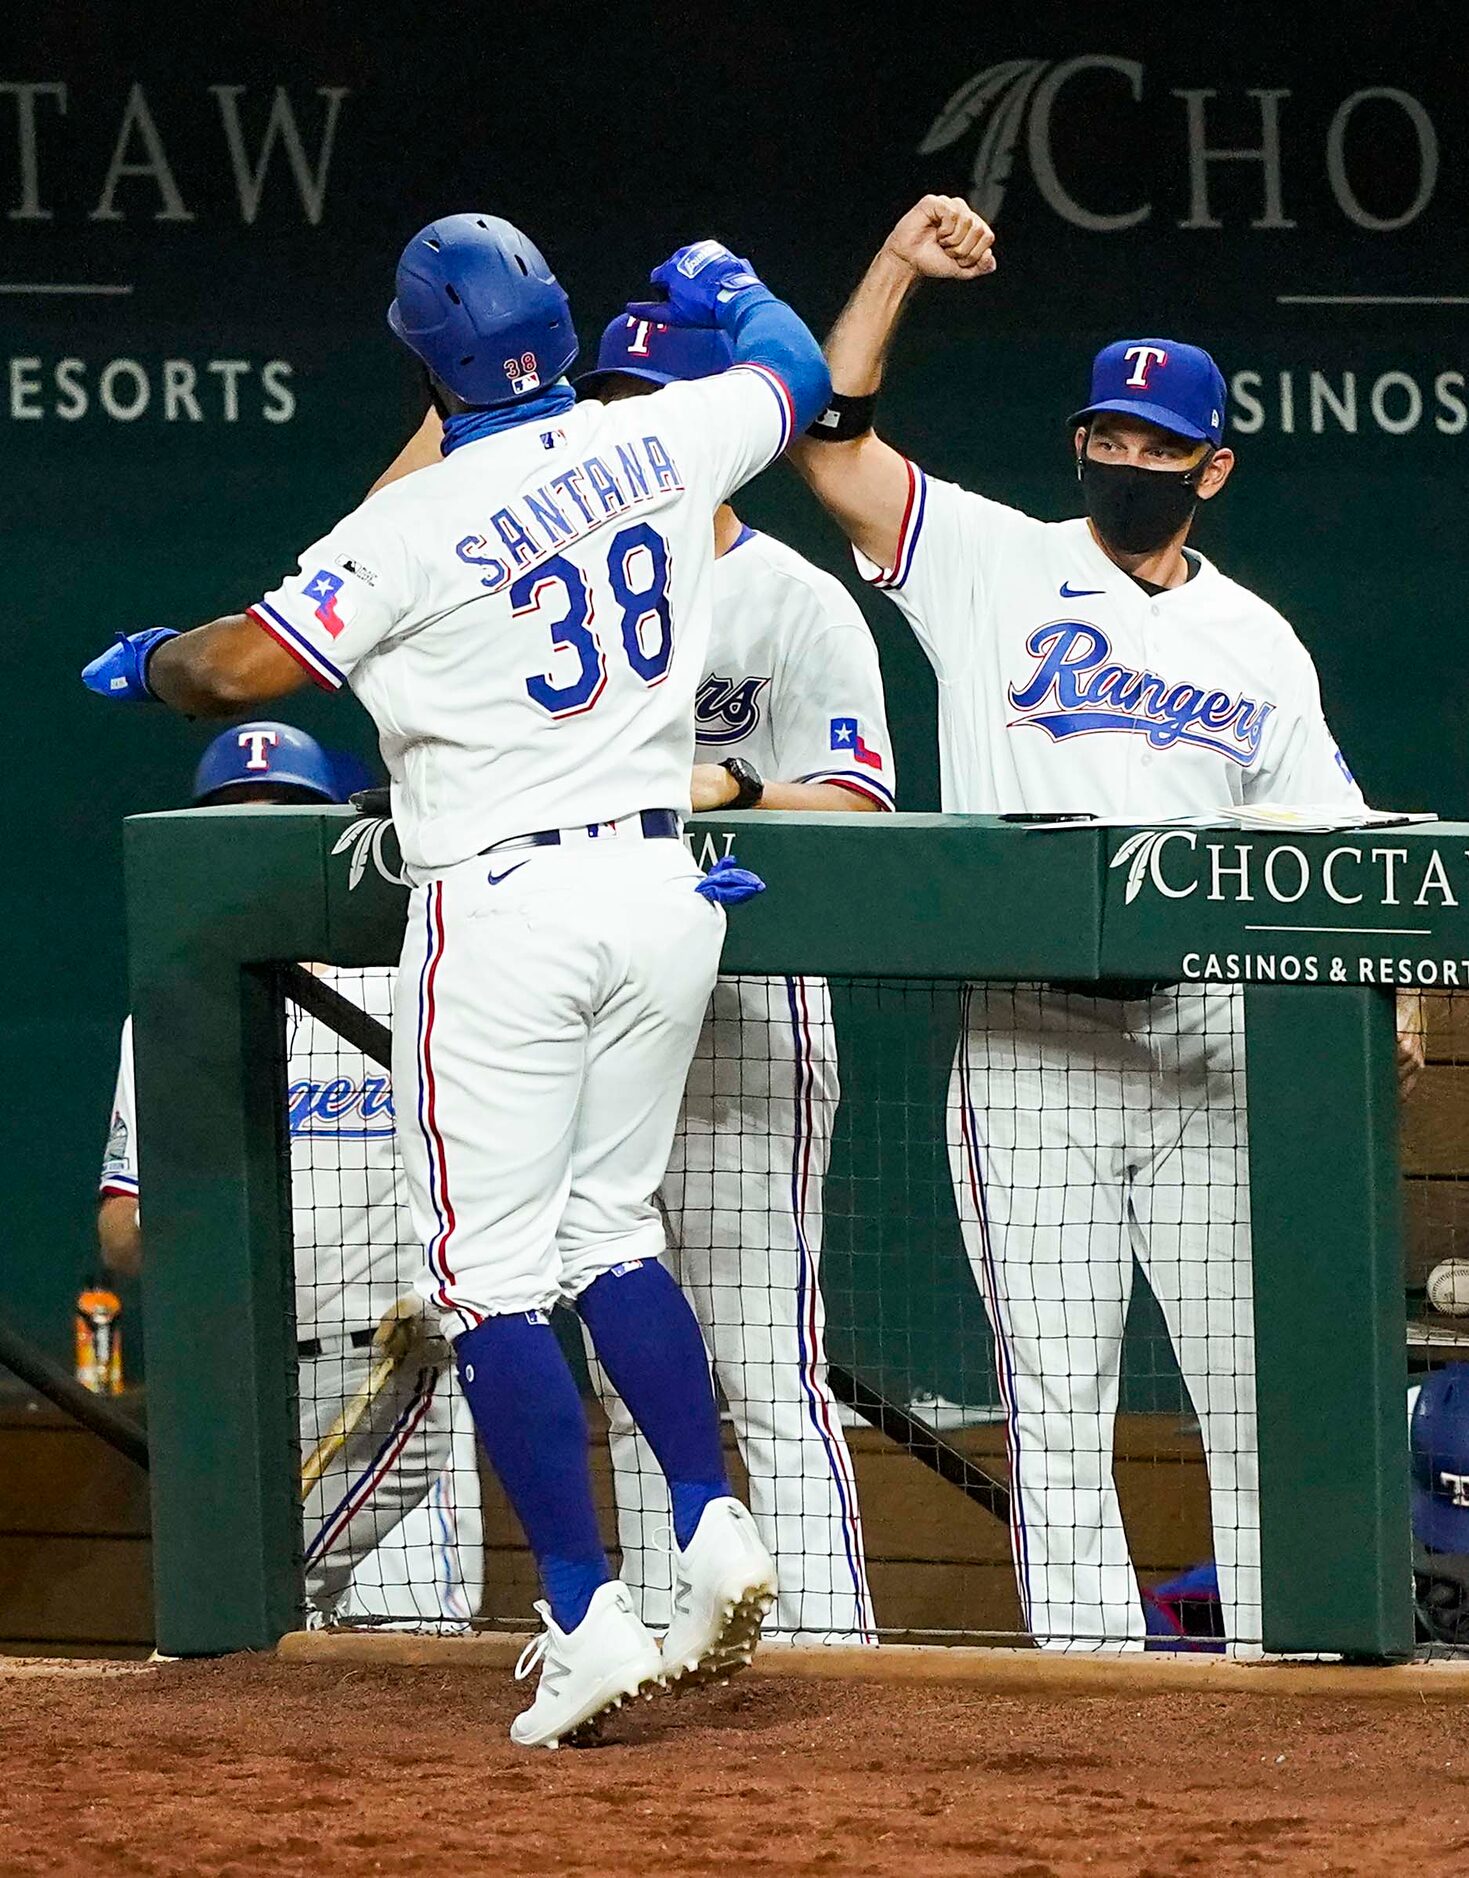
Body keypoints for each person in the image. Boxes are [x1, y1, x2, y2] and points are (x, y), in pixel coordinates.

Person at [83, 215, 832, 1745]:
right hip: (660, 880)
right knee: (612, 1232)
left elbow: (239, 671)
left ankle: (582, 1611)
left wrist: (158, 656)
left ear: (422, 356)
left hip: (511, 901)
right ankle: (704, 1521)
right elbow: (797, 373)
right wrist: (738, 288)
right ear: (558, 331)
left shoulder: (412, 522)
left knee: (486, 1275)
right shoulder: (660, 438)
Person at [788, 194, 1423, 1653]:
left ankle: (1280, 1673)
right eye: (1106, 436)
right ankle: (1093, 1699)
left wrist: (1399, 1005)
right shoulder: (994, 564)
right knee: (1056, 1400)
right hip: (1029, 1034)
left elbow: (1336, 846)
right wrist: (890, 264)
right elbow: (831, 442)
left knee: (1245, 1387)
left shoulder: (1253, 636)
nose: (1124, 460)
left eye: (1154, 445)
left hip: (1203, 1043)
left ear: (1214, 466)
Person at [578, 311, 890, 1642]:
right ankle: (659, 1640)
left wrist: (741, 787)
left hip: (751, 1005)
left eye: (651, 397)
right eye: (609, 397)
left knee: (765, 1355)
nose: (623, 420)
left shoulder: (792, 597)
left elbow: (866, 802)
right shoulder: (570, 596)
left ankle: (835, 1651)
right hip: (604, 1002)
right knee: (624, 1359)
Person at [97, 722, 482, 1630]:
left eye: (282, 823)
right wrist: (208, 1240)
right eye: (235, 824)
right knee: (247, 1646)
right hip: (242, 1391)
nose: (255, 843)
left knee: (400, 1653)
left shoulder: (419, 989)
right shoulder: (163, 1027)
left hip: (391, 1370)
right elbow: (121, 1235)